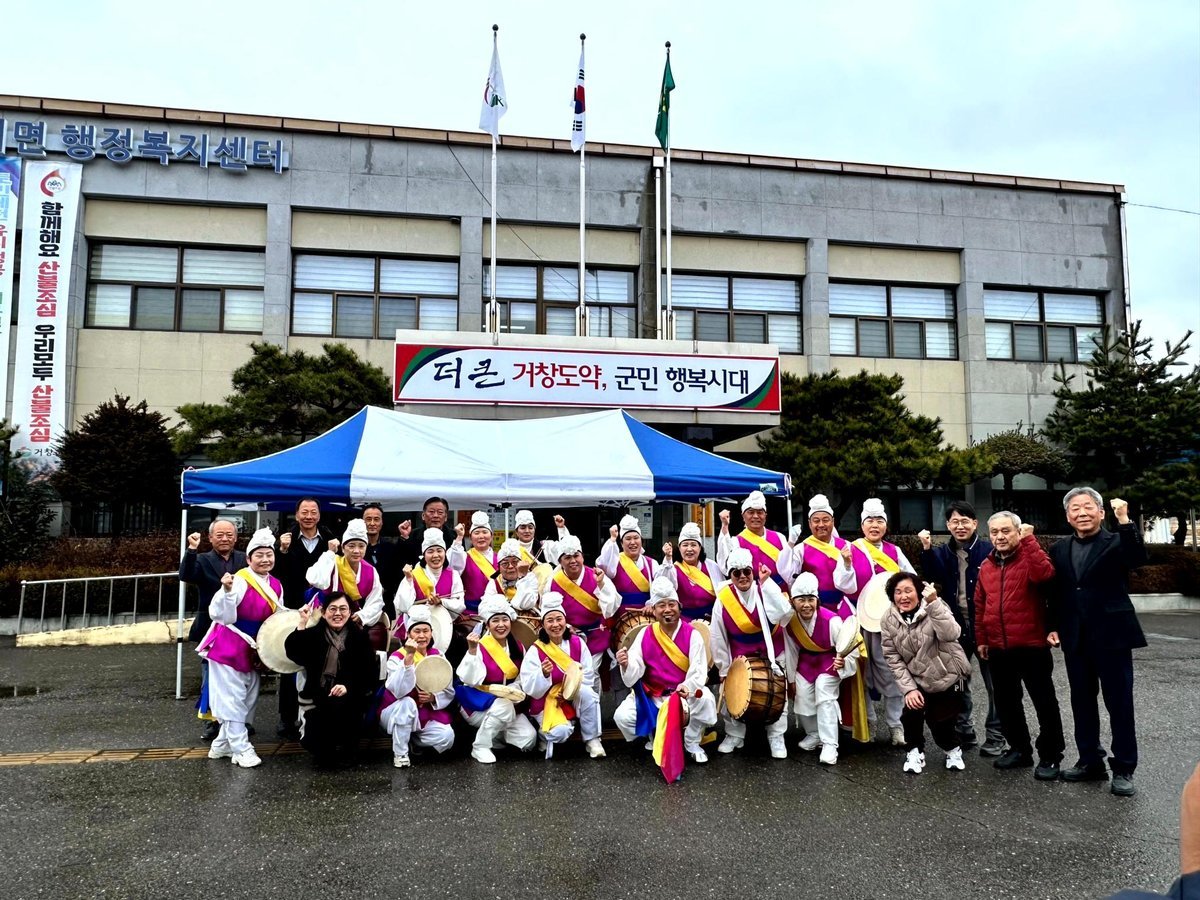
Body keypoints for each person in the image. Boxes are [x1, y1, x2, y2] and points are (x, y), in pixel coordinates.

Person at [1049, 488, 1148, 798]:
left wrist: (1125, 520)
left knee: (1119, 703)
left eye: (1088, 507)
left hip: (1113, 635)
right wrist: (1052, 626)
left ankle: (1124, 768)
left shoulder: (1117, 541)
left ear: (1101, 512)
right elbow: (1056, 592)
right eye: (1075, 508)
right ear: (1068, 516)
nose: (1082, 513)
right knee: (1081, 702)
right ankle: (1090, 761)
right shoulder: (1059, 549)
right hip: (1075, 637)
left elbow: (1137, 559)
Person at [974, 511, 1065, 781]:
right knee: (1007, 702)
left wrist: (1029, 541)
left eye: (1006, 531)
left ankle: (1050, 754)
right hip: (998, 646)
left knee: (1044, 702)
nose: (1000, 537)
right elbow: (981, 605)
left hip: (1032, 644)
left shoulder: (1030, 557)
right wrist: (982, 639)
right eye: (994, 532)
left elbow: (1045, 575)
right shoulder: (987, 565)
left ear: (1017, 532)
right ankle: (1019, 749)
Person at [919, 499, 1006, 756]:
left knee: (995, 684)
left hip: (986, 626)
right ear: (947, 525)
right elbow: (932, 578)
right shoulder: (942, 553)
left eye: (965, 521)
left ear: (975, 523)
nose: (960, 526)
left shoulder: (990, 550)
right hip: (955, 628)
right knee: (958, 683)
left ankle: (996, 735)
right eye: (954, 522)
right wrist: (926, 549)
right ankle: (963, 730)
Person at [197, 527, 282, 768]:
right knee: (232, 698)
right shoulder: (239, 580)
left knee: (248, 697)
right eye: (259, 555)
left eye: (269, 554)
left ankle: (222, 744)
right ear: (249, 559)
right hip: (230, 644)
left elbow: (278, 617)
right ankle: (241, 748)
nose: (265, 559)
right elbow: (220, 614)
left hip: (254, 647)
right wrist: (226, 591)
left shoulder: (276, 584)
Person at [614, 578, 717, 765]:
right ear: (653, 610)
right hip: (654, 696)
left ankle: (692, 742)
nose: (667, 609)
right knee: (622, 716)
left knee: (706, 700)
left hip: (682, 695)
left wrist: (687, 687)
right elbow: (635, 669)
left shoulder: (692, 635)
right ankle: (655, 735)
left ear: (679, 607)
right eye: (661, 605)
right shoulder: (645, 634)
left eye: (671, 604)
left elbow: (698, 670)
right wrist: (626, 664)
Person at [879, 571, 971, 775]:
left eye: (908, 591)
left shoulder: (935, 605)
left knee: (941, 721)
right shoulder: (888, 619)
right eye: (898, 592)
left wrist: (934, 603)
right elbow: (892, 657)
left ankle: (952, 749)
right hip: (917, 677)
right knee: (911, 714)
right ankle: (914, 751)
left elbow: (952, 633)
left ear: (919, 591)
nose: (903, 596)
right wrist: (909, 689)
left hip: (949, 674)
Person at [709, 547, 793, 758]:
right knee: (732, 693)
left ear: (752, 571)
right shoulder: (723, 599)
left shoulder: (765, 588)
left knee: (778, 692)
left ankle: (776, 736)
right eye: (736, 573)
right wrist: (723, 667)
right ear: (730, 575)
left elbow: (784, 613)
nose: (742, 576)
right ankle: (734, 734)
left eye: (746, 571)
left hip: (771, 651)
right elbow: (717, 635)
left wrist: (767, 583)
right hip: (739, 654)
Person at [283, 592, 378, 768]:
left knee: (347, 711)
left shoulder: (359, 637)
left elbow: (369, 671)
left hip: (350, 694)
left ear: (350, 612)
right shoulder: (314, 634)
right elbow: (295, 653)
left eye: (343, 609)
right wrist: (302, 622)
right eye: (332, 609)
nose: (338, 614)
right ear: (323, 612)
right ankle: (323, 750)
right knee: (319, 745)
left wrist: (348, 686)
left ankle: (348, 749)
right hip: (318, 694)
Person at [847, 498, 910, 746]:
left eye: (879, 521)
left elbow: (910, 580)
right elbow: (842, 583)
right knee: (861, 671)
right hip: (860, 621)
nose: (875, 526)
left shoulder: (895, 552)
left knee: (893, 672)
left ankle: (896, 725)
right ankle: (869, 722)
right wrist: (846, 564)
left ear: (886, 525)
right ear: (862, 525)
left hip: (890, 624)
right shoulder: (851, 549)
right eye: (870, 521)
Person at [179, 518, 245, 741]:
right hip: (210, 627)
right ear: (210, 537)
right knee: (211, 676)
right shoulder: (202, 559)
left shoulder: (245, 559)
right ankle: (211, 722)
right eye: (220, 535)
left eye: (229, 534)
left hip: (239, 626)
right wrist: (191, 549)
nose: (225, 538)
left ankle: (239, 721)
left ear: (235, 537)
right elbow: (185, 575)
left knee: (240, 676)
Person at [273, 497, 334, 740]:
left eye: (313, 512)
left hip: (321, 611)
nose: (309, 516)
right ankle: (287, 717)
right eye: (304, 512)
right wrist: (282, 551)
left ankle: (317, 713)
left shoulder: (330, 539)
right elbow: (275, 574)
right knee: (290, 661)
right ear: (297, 514)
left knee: (320, 661)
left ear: (319, 515)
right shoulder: (284, 540)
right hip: (292, 610)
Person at [783, 572, 859, 765]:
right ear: (793, 601)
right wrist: (791, 679)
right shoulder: (790, 622)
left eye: (811, 599)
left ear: (817, 600)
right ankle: (814, 733)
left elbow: (849, 645)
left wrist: (844, 661)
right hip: (806, 662)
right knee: (801, 694)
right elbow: (791, 652)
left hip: (829, 660)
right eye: (801, 600)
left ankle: (830, 744)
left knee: (824, 692)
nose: (806, 605)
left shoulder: (831, 620)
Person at [519, 595, 605, 760]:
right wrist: (543, 674)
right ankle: (544, 734)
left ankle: (592, 739)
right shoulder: (535, 650)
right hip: (547, 699)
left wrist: (569, 692)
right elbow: (529, 687)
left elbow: (587, 675)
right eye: (550, 620)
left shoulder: (578, 643)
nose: (555, 624)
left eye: (559, 619)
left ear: (565, 622)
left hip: (572, 694)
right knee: (560, 733)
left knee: (588, 694)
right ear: (543, 624)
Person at [456, 596, 537, 764]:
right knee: (503, 707)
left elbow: (522, 678)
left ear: (510, 622)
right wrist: (472, 651)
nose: (501, 625)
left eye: (504, 620)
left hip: (508, 702)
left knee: (528, 739)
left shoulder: (518, 647)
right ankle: (480, 746)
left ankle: (494, 736)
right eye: (495, 621)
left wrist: (513, 691)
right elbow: (469, 680)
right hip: (477, 703)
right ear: (487, 625)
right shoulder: (479, 646)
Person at [377, 605, 456, 769]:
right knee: (407, 703)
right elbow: (399, 691)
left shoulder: (438, 655)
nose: (421, 636)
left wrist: (433, 698)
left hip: (425, 712)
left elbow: (448, 689)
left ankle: (412, 741)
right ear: (408, 634)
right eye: (417, 631)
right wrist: (409, 658)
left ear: (431, 633)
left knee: (446, 736)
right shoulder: (396, 657)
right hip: (395, 710)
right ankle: (400, 754)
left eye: (426, 631)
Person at [540, 534, 619, 688]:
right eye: (567, 557)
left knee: (591, 674)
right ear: (560, 561)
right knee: (568, 676)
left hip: (594, 636)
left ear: (582, 557)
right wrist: (567, 627)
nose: (573, 561)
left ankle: (593, 703)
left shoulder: (597, 576)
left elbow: (610, 609)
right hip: (566, 636)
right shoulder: (553, 581)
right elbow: (547, 611)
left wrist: (601, 585)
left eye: (576, 556)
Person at [304, 519, 386, 630]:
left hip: (350, 617)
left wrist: (363, 615)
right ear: (343, 548)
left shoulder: (370, 571)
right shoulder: (332, 562)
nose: (356, 551)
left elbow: (376, 601)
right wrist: (330, 553)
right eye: (351, 546)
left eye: (361, 546)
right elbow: (315, 579)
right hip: (323, 615)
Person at [717, 490, 797, 586]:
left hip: (781, 591)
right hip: (753, 591)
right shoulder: (736, 542)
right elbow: (726, 567)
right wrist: (725, 526)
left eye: (760, 512)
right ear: (743, 516)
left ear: (765, 515)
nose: (755, 516)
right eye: (751, 512)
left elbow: (790, 569)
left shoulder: (780, 537)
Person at [793, 493, 857, 612]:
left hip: (843, 607)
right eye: (816, 521)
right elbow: (791, 579)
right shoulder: (800, 549)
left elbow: (854, 583)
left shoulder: (847, 546)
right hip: (813, 609)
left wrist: (847, 565)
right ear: (810, 523)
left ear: (833, 521)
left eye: (825, 520)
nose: (821, 525)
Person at [394, 528, 466, 629]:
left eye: (439, 551)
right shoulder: (413, 575)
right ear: (424, 555)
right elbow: (402, 606)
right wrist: (409, 580)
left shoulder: (454, 575)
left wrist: (442, 602)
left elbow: (460, 604)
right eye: (430, 551)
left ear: (445, 553)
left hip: (443, 628)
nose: (435, 555)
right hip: (415, 628)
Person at [661, 521, 723, 621]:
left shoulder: (712, 566)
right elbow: (665, 591)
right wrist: (668, 558)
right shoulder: (673, 569)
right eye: (685, 545)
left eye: (693, 545)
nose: (689, 549)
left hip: (712, 620)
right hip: (683, 621)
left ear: (700, 548)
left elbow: (722, 593)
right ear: (679, 548)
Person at [597, 514, 660, 610]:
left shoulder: (652, 564)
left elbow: (660, 592)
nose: (633, 542)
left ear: (641, 541)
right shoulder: (614, 562)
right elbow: (603, 565)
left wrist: (653, 605)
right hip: (619, 615)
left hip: (646, 616)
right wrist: (612, 539)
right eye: (628, 539)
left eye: (636, 538)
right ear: (621, 543)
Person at [447, 510, 499, 616]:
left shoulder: (500, 558)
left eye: (485, 532)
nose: (481, 536)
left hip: (495, 610)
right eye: (477, 533)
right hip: (470, 613)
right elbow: (452, 568)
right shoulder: (464, 557)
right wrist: (459, 538)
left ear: (491, 535)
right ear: (470, 537)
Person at [361, 502, 401, 616]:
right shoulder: (354, 549)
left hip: (386, 606)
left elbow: (397, 576)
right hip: (360, 605)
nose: (372, 523)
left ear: (382, 522)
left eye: (376, 519)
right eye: (368, 519)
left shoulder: (391, 547)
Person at [395, 496, 451, 569]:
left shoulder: (455, 536)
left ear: (446, 517)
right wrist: (404, 537)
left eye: (440, 512)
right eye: (431, 512)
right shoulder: (412, 535)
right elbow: (401, 561)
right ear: (423, 516)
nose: (435, 516)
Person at [484, 539, 541, 610]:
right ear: (499, 568)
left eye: (515, 562)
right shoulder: (495, 582)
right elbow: (485, 606)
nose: (510, 566)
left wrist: (522, 577)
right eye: (505, 563)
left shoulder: (530, 578)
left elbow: (526, 604)